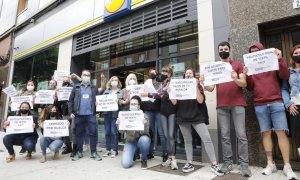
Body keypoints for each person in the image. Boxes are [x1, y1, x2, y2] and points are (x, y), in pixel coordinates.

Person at [244, 42, 297, 179]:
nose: (255, 52)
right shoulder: (251, 67)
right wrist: (247, 74)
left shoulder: (273, 61)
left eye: (257, 50)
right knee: (265, 133)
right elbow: (249, 87)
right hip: (260, 104)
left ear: (262, 51)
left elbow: (285, 76)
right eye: (252, 51)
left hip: (276, 102)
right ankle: (270, 163)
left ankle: (287, 166)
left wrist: (280, 59)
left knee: (281, 132)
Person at [200, 41, 251, 176]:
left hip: (238, 104)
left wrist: (235, 78)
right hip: (221, 105)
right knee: (225, 136)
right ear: (218, 51)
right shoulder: (215, 67)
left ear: (230, 49)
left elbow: (244, 83)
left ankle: (244, 164)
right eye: (221, 49)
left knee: (241, 135)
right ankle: (227, 162)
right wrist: (203, 82)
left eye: (225, 48)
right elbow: (211, 88)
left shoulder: (237, 65)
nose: (223, 51)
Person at [170, 68, 223, 176]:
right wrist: (170, 92)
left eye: (190, 73)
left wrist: (195, 86)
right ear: (184, 76)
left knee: (207, 139)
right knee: (187, 141)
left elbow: (200, 100)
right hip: (182, 117)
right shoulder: (179, 87)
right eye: (187, 73)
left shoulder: (198, 86)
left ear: (194, 76)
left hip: (197, 116)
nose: (188, 75)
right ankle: (189, 163)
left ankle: (214, 164)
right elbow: (174, 102)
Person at [68, 69, 102, 161]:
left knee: (93, 133)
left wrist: (98, 112)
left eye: (88, 75)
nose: (86, 76)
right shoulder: (76, 87)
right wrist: (71, 112)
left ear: (90, 77)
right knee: (79, 134)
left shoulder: (94, 88)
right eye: (84, 75)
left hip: (91, 115)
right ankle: (79, 152)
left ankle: (94, 153)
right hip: (78, 115)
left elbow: (99, 101)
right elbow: (70, 100)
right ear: (81, 76)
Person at [140, 69, 167, 162]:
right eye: (150, 72)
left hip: (159, 110)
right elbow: (141, 96)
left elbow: (160, 95)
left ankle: (165, 153)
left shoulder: (160, 84)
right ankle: (150, 152)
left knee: (161, 133)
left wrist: (148, 94)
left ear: (156, 74)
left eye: (153, 72)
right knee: (150, 132)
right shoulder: (145, 84)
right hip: (148, 110)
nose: (151, 73)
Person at [117, 96, 150, 169]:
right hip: (130, 141)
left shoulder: (144, 116)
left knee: (145, 139)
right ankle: (134, 153)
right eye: (131, 104)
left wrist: (144, 124)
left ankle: (144, 159)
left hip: (141, 140)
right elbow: (121, 132)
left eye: (135, 104)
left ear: (139, 106)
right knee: (125, 164)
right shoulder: (125, 115)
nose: (132, 105)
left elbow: (146, 133)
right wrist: (118, 124)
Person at [282, 44, 300, 156]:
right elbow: (284, 89)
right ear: (292, 56)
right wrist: (288, 104)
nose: (298, 55)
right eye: (296, 53)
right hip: (295, 107)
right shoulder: (288, 72)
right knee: (298, 138)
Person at [159, 66, 178, 170]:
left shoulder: (173, 83)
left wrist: (170, 91)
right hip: (162, 111)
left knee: (170, 135)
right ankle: (169, 158)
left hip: (171, 111)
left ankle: (173, 159)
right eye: (163, 72)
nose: (164, 73)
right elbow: (155, 95)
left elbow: (175, 101)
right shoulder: (160, 84)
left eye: (166, 72)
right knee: (166, 135)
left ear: (170, 74)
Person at [102, 76, 123, 158]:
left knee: (114, 132)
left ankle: (115, 150)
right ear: (110, 82)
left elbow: (123, 103)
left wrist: (119, 101)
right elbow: (102, 101)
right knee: (107, 132)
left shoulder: (121, 91)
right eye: (112, 80)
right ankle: (108, 150)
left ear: (118, 82)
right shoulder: (107, 91)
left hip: (115, 114)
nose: (114, 81)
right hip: (107, 114)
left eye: (116, 80)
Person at [57, 76, 74, 155]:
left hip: (74, 112)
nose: (66, 81)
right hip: (65, 112)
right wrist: (57, 95)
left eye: (67, 80)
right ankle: (68, 147)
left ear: (70, 81)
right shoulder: (61, 90)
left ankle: (76, 147)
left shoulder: (74, 88)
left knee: (74, 130)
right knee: (65, 131)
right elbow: (58, 103)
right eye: (65, 80)